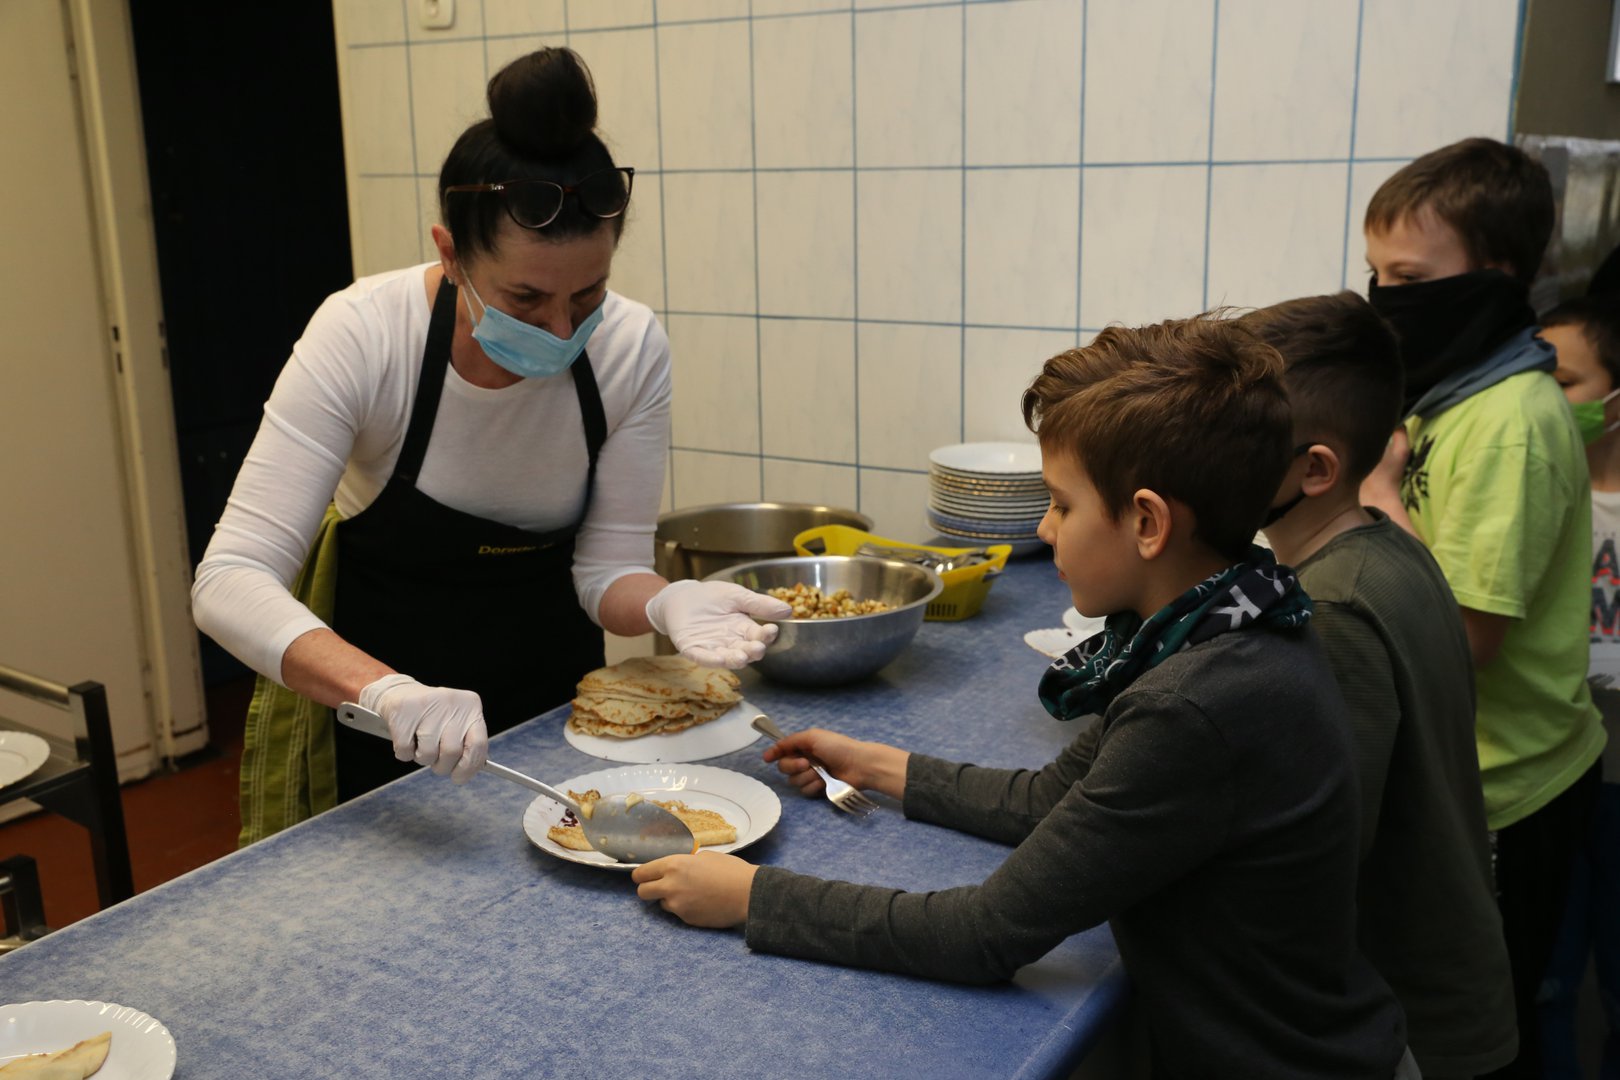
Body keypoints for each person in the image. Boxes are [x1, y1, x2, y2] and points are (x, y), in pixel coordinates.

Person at [632, 315, 1414, 1079]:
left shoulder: (1199, 700)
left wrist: (754, 895)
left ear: (1147, 522)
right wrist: (876, 765)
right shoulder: (1230, 610)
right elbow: (1055, 799)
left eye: (1063, 505)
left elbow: (984, 935)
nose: (1045, 525)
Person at [192, 48, 790, 844]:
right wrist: (387, 693)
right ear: (449, 251)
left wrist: (663, 599)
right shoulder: (368, 335)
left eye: (588, 294)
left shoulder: (631, 349)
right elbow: (229, 580)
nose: (562, 329)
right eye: (525, 298)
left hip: (555, 733)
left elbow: (604, 567)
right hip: (391, 733)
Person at [1357, 136, 1606, 1079]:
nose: (1386, 300)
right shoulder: (1451, 397)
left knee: (1484, 1035)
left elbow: (1461, 641)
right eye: (1376, 273)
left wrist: (1377, 497)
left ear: (1497, 275)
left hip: (1512, 790)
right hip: (1464, 775)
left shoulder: (1512, 427)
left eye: (1408, 277)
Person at [1247, 291, 1516, 1077]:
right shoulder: (1380, 546)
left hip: (1413, 1028)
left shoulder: (1334, 607)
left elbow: (1316, 860)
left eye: (1233, 436)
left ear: (1316, 469)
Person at [1539, 294, 1620, 1080]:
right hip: (1555, 777)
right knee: (1546, 985)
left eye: (1561, 381)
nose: (1540, 400)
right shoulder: (1537, 495)